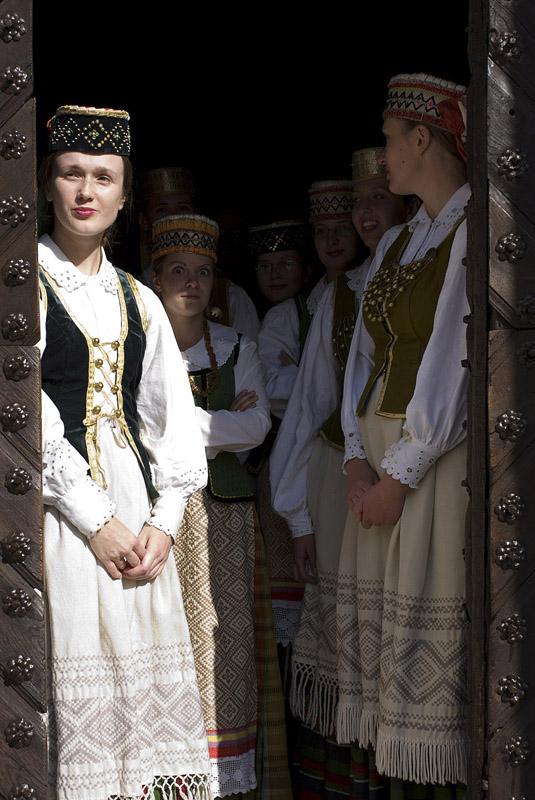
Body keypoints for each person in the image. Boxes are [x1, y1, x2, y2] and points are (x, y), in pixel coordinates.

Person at [38, 106, 211, 800]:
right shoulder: (22, 285)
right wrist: (95, 519)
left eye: (103, 177)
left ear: (124, 195)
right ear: (47, 183)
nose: (86, 191)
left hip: (136, 518)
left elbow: (173, 423)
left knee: (138, 680)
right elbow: (25, 418)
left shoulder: (138, 298)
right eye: (71, 173)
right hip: (56, 512)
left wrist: (163, 524)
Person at [270, 148, 417, 797]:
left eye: (376, 198)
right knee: (347, 631)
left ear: (404, 201)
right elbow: (307, 409)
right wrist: (298, 517)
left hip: (417, 474)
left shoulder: (433, 273)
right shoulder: (339, 294)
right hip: (342, 480)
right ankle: (348, 780)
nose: (363, 214)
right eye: (357, 202)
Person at [338, 74, 470, 790]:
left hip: (429, 462)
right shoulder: (397, 239)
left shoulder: (473, 229)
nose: (383, 153)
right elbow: (362, 358)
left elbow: (453, 360)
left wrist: (398, 475)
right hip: (378, 462)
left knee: (423, 618)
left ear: (422, 138)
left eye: (389, 139)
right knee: (382, 645)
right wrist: (356, 459)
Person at [151, 213, 292, 799]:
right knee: (165, 637)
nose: (192, 283)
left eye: (203, 272)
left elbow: (257, 427)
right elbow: (141, 427)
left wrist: (178, 423)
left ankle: (225, 782)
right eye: (178, 271)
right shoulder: (140, 345)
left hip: (226, 521)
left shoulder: (238, 344)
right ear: (155, 278)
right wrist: (221, 421)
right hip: (159, 518)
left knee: (225, 641)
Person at [138, 166, 260, 340]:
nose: (174, 217)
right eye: (162, 210)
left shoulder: (231, 297)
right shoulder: (129, 294)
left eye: (182, 208)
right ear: (144, 221)